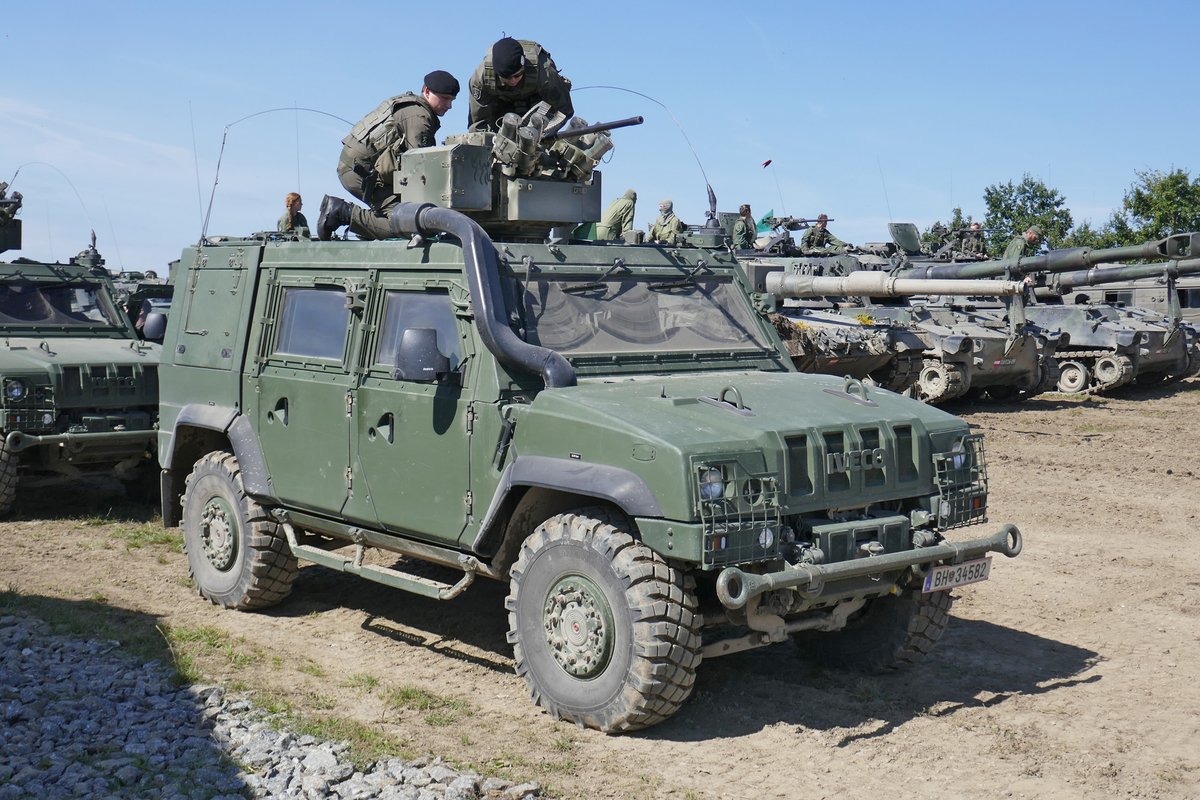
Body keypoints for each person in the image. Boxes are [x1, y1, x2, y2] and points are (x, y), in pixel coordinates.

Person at [318, 70, 460, 241]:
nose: (449, 105)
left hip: (359, 168)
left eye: (451, 100)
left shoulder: (410, 106)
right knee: (412, 224)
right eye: (445, 98)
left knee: (405, 215)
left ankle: (364, 227)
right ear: (427, 92)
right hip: (360, 173)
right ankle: (341, 212)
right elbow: (423, 170)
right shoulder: (419, 117)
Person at [468, 37, 573, 132]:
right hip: (500, 108)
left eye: (518, 75)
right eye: (507, 77)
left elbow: (563, 111)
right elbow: (479, 123)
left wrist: (545, 133)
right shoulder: (480, 79)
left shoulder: (544, 72)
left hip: (538, 109)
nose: (513, 81)